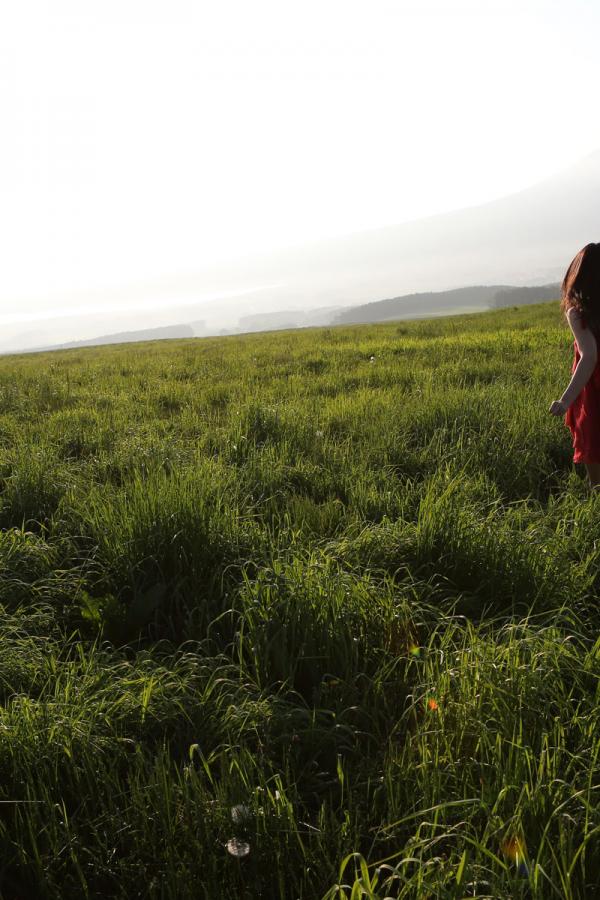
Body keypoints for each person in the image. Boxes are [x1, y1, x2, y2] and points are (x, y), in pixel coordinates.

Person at [550, 242, 600, 489]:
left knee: (593, 437)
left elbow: (589, 356)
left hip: (594, 387)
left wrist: (566, 400)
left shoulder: (578, 311)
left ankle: (596, 491)